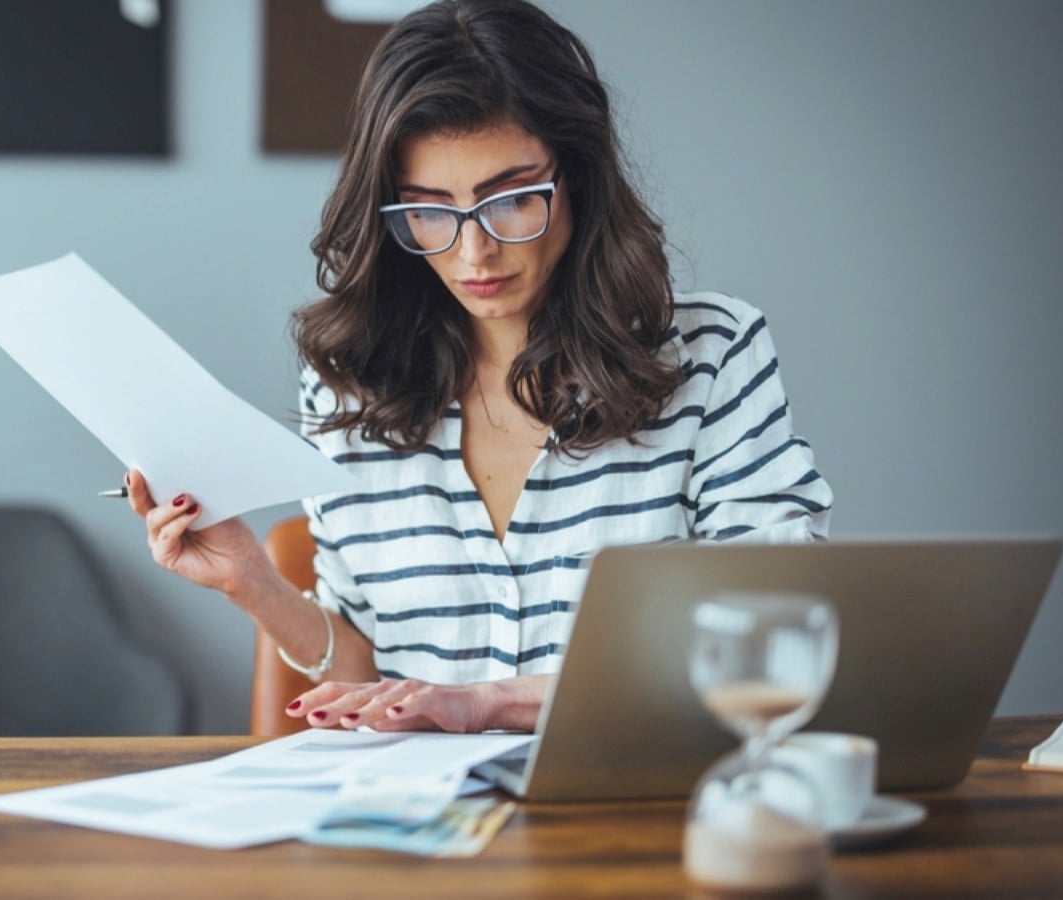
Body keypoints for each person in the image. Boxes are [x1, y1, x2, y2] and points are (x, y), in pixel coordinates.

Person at [125, 0, 831, 734]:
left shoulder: (711, 356)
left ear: (578, 177)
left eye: (513, 200)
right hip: (417, 803)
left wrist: (490, 701)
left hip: (633, 795)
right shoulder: (347, 388)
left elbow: (772, 642)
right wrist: (251, 582)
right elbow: (366, 678)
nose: (474, 254)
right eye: (429, 210)